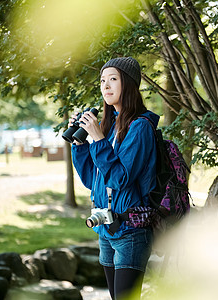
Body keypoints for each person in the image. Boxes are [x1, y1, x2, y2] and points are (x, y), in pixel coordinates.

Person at [70, 57, 159, 299]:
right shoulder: (109, 127)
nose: (105, 86)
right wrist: (80, 144)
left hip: (130, 231)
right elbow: (93, 180)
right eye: (102, 81)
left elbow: (120, 179)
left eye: (113, 79)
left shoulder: (140, 127)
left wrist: (98, 140)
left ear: (128, 84)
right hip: (106, 230)